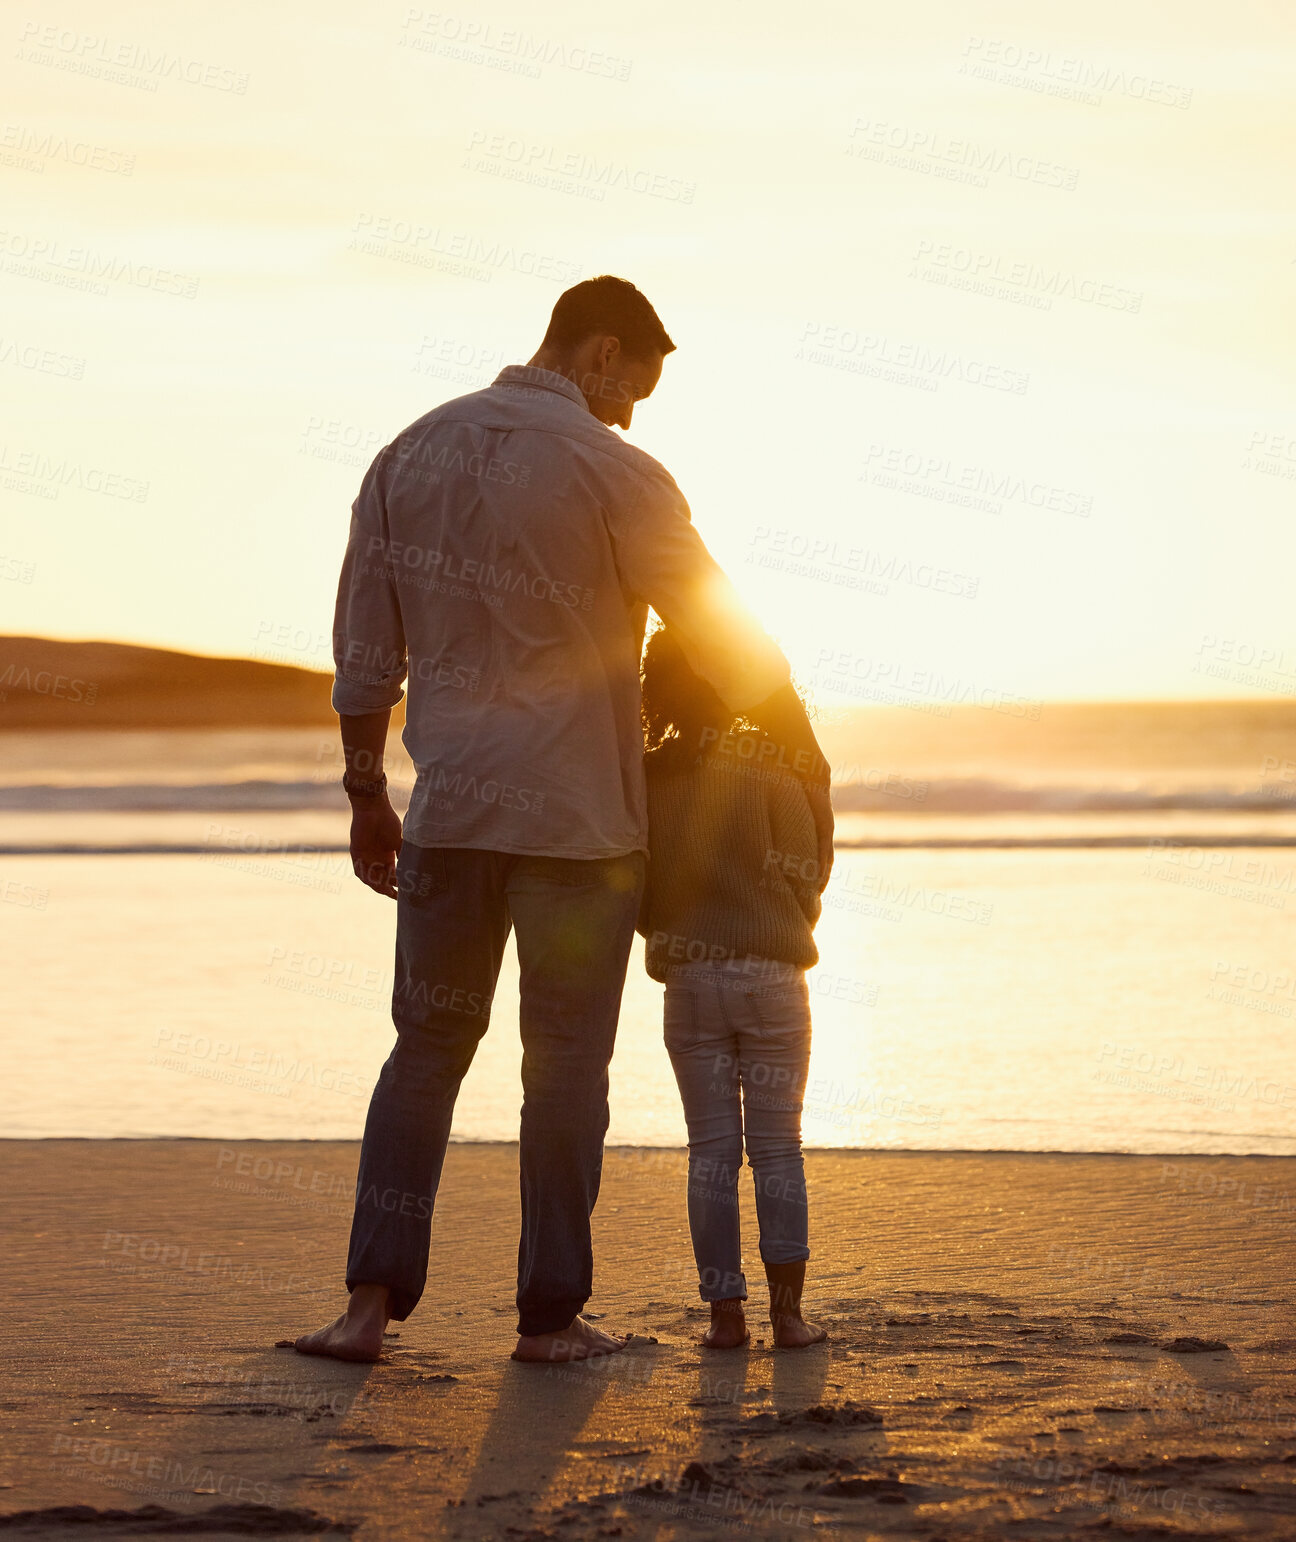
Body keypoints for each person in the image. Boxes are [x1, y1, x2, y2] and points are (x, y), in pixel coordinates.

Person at [293, 275, 832, 1365]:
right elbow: (724, 640)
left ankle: (364, 1309)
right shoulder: (616, 468)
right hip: (580, 835)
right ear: (598, 354)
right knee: (565, 1071)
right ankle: (549, 1321)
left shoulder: (408, 454)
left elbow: (364, 651)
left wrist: (365, 793)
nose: (631, 411)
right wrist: (789, 750)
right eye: (633, 386)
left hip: (449, 814)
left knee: (425, 1053)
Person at [638, 624, 831, 1349]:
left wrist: (674, 933)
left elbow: (639, 887)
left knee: (710, 1152)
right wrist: (785, 921)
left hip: (688, 981)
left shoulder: (649, 778)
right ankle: (789, 1318)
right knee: (778, 1150)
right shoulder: (769, 763)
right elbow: (805, 872)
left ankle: (725, 1319)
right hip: (772, 974)